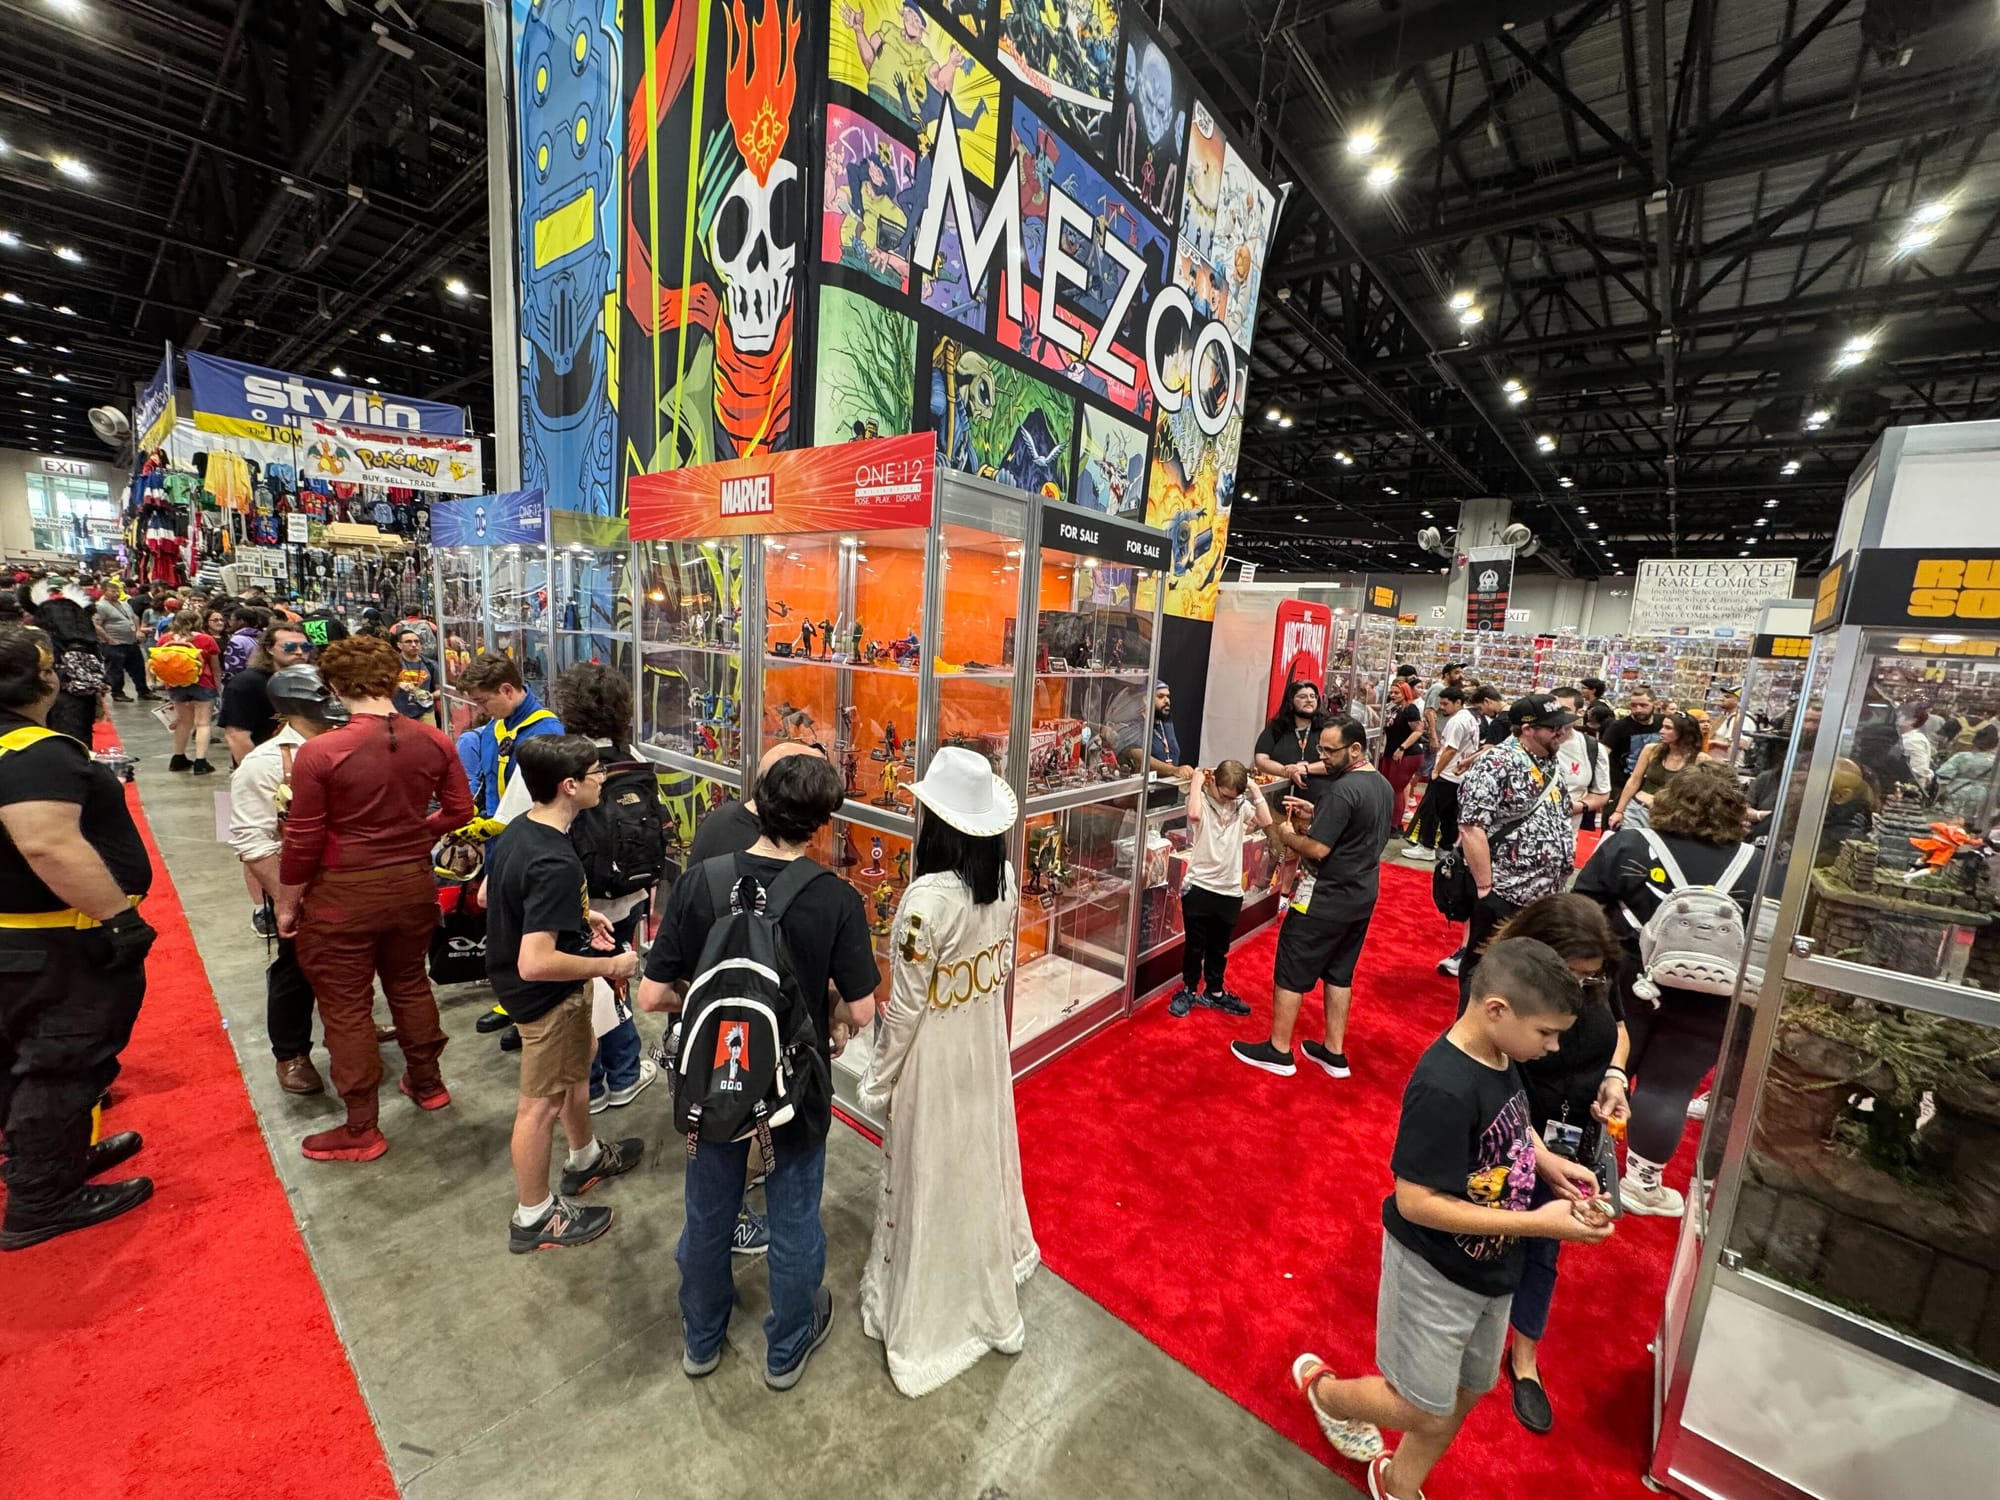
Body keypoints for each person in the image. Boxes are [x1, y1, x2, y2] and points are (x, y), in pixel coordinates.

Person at [1290, 939, 1613, 1497]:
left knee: (1470, 1389)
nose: (1554, 1047)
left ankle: (1397, 1484)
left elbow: (1512, 1122)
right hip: (1433, 1270)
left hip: (1492, 1269)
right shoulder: (1444, 1085)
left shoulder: (1501, 1055)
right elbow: (1415, 1202)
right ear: (1497, 1010)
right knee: (1423, 1408)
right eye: (1546, 1033)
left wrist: (1545, 1161)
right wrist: (1541, 1225)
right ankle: (1328, 1395)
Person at [639, 753, 879, 1391]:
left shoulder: (702, 881)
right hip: (794, 1087)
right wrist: (826, 1016)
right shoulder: (835, 898)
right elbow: (862, 1009)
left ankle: (701, 1337)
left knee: (707, 1208)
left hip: (712, 1081)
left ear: (757, 801)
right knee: (794, 1213)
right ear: (821, 823)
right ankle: (787, 1346)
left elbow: (651, 995)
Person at [858, 745, 1038, 1396]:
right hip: (983, 1048)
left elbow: (906, 1008)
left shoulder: (924, 902)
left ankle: (931, 1307)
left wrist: (878, 1078)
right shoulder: (1006, 879)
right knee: (976, 1159)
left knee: (929, 1172)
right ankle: (983, 1274)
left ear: (935, 821)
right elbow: (1001, 969)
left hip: (934, 1058)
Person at [277, 637, 475, 1163]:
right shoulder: (434, 740)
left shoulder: (321, 751)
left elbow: (303, 837)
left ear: (334, 687)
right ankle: (428, 1084)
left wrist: (287, 902)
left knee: (346, 1006)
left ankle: (361, 1126)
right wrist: (415, 833)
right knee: (409, 983)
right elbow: (461, 810)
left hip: (343, 894)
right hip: (411, 885)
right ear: (393, 679)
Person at [0, 624, 157, 1252]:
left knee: (23, 1058)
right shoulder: (35, 753)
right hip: (55, 941)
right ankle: (43, 1198)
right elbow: (46, 842)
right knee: (62, 1064)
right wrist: (118, 917)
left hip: (24, 940)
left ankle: (49, 1160)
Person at [1575, 762, 1763, 1216]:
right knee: (1669, 1087)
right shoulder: (1757, 865)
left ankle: (1575, 1155)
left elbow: (1581, 909)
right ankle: (1643, 1182)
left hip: (1625, 980)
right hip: (1711, 995)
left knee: (1603, 1065)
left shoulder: (1630, 845)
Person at [484, 735, 645, 1253]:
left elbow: (494, 894)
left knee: (582, 1060)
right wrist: (610, 965)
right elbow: (535, 962)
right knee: (539, 1105)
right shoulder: (555, 860)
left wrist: (577, 915)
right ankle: (533, 1215)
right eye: (597, 772)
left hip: (540, 992)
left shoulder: (523, 830)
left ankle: (584, 1156)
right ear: (569, 785)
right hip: (544, 998)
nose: (603, 780)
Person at [1486, 897, 1628, 1434]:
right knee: (1490, 1231)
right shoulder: (1500, 981)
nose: (1584, 985)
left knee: (1546, 1245)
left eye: (1592, 977)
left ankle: (1524, 1355)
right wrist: (1537, 1156)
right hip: (1509, 1129)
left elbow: (1619, 1027)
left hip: (1571, 1132)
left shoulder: (1598, 977)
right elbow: (1487, 1074)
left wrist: (1614, 1078)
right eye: (1573, 975)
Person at [495, 663, 658, 1111]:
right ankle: (624, 1072)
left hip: (569, 900)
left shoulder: (553, 760)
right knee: (615, 980)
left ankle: (590, 1082)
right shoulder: (632, 755)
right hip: (626, 895)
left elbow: (514, 822)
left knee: (577, 991)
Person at [1230, 717, 1393, 1079]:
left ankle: (1278, 1050)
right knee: (1340, 974)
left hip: (1326, 895)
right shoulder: (1380, 784)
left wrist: (1287, 834)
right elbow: (1358, 823)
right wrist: (1318, 813)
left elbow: (1318, 848)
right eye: (1322, 749)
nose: (1323, 758)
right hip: (1361, 894)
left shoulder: (1343, 789)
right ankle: (1334, 1052)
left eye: (1330, 751)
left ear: (1355, 749)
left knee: (1292, 968)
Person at [228, 664, 345, 1096]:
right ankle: (291, 1052)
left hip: (353, 880)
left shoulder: (349, 742)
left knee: (352, 964)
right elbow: (251, 841)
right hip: (303, 885)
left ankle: (350, 1028)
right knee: (295, 968)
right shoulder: (262, 764)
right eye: (323, 694)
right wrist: (285, 900)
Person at [1454, 695, 1579, 1010]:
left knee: (1524, 973)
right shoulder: (1496, 762)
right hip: (1504, 891)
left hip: (1543, 895)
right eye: (1554, 728)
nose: (1562, 733)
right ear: (1527, 729)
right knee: (1485, 969)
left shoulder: (1549, 761)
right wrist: (1486, 888)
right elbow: (1471, 826)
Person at [1170, 760, 1270, 1017]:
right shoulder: (1201, 801)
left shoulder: (1239, 804)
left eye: (1233, 796)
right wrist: (1196, 781)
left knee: (1219, 946)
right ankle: (1189, 989)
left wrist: (1254, 789)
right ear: (1213, 782)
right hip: (1200, 884)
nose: (1228, 800)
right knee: (1195, 945)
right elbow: (1193, 815)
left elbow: (1266, 820)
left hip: (1230, 888)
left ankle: (1214, 991)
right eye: (1225, 795)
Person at [458, 653, 565, 817]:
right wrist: (468, 810)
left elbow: (552, 800)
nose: (479, 710)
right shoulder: (494, 727)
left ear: (507, 690)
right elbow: (484, 780)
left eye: (483, 701)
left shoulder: (548, 733)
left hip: (527, 830)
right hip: (492, 828)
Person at [1403, 683, 1478, 861]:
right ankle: (1445, 846)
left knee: (1430, 811)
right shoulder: (1469, 718)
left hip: (1448, 774)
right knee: (1449, 814)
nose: (1442, 707)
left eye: (1445, 704)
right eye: (1441, 703)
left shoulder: (1457, 721)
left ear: (1458, 702)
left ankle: (1427, 846)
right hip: (1458, 775)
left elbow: (1450, 749)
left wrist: (1437, 771)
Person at [220, 623, 312, 763]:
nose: (299, 652)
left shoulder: (312, 679)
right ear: (269, 649)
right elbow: (237, 736)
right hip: (267, 763)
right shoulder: (247, 683)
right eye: (290, 647)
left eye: (306, 647)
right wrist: (253, 770)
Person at [1609, 710, 1703, 832]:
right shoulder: (1651, 750)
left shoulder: (1699, 759)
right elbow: (1634, 780)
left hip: (1671, 817)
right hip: (1638, 809)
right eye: (1662, 726)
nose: (1661, 731)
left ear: (1684, 732)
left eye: (1668, 728)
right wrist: (1619, 811)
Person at [157, 609, 222, 775]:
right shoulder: (206, 639)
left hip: (175, 684)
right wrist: (218, 688)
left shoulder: (165, 639)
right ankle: (201, 762)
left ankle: (178, 758)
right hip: (203, 683)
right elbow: (215, 667)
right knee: (203, 723)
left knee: (183, 721)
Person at [1254, 680, 1332, 801]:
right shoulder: (1277, 727)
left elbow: (1337, 761)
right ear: (1291, 701)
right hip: (1281, 800)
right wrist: (1286, 771)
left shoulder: (1328, 728)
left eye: (1313, 696)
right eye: (1303, 697)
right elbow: (1261, 759)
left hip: (1321, 799)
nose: (1309, 700)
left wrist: (1305, 769)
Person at [1551, 686, 1610, 833]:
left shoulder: (1593, 748)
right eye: (1553, 709)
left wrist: (1579, 806)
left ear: (1579, 713)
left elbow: (1601, 792)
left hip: (1565, 834)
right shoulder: (1527, 739)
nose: (1558, 715)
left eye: (1565, 710)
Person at [92, 582, 153, 703]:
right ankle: (117, 692)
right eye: (112, 591)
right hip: (114, 644)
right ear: (104, 591)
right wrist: (108, 639)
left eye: (118, 591)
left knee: (138, 668)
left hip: (130, 642)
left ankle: (143, 691)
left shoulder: (125, 604)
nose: (116, 594)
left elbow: (134, 617)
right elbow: (96, 625)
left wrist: (138, 630)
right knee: (115, 670)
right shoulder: (100, 606)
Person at [1379, 679, 1426, 821]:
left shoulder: (1410, 709)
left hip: (1407, 754)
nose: (1393, 695)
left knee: (1396, 789)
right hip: (1390, 752)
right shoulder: (1394, 708)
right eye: (1391, 692)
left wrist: (1402, 748)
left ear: (1405, 693)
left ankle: (1394, 823)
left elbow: (1418, 731)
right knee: (1388, 788)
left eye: (1396, 692)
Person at [1936, 723, 2000, 827]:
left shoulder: (1962, 757)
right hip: (1985, 801)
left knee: (1949, 827)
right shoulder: (1997, 763)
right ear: (1995, 743)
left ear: (1975, 740)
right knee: (1973, 830)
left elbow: (1942, 776)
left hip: (1956, 796)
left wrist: (1940, 795)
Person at [1602, 684, 1663, 786]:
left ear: (1655, 704)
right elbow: (1602, 754)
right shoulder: (1618, 727)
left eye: (1643, 705)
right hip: (1622, 782)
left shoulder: (1663, 722)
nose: (1638, 710)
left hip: (1652, 781)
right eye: (1633, 705)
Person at [391, 628, 441, 725]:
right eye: (408, 642)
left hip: (425, 713)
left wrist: (431, 696)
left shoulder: (431, 665)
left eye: (416, 641)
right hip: (399, 713)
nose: (414, 645)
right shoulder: (392, 664)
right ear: (399, 645)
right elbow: (381, 685)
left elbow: (440, 690)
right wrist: (398, 684)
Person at [1146, 679, 1193, 780]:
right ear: (1146, 700)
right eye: (1160, 696)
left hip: (1170, 783)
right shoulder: (1137, 727)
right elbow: (1142, 761)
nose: (1167, 701)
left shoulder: (1167, 723)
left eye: (1168, 696)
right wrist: (1174, 770)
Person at [1898, 705, 1935, 783]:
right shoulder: (1910, 736)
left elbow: (1919, 769)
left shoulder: (1914, 741)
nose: (1897, 718)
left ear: (1912, 720)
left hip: (1906, 783)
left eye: (1900, 716)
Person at [1707, 688, 1743, 764]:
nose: (1722, 699)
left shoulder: (1740, 719)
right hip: (1715, 762)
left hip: (1725, 764)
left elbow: (1739, 744)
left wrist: (1712, 742)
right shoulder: (1724, 717)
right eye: (1723, 696)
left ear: (1738, 701)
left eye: (1727, 697)